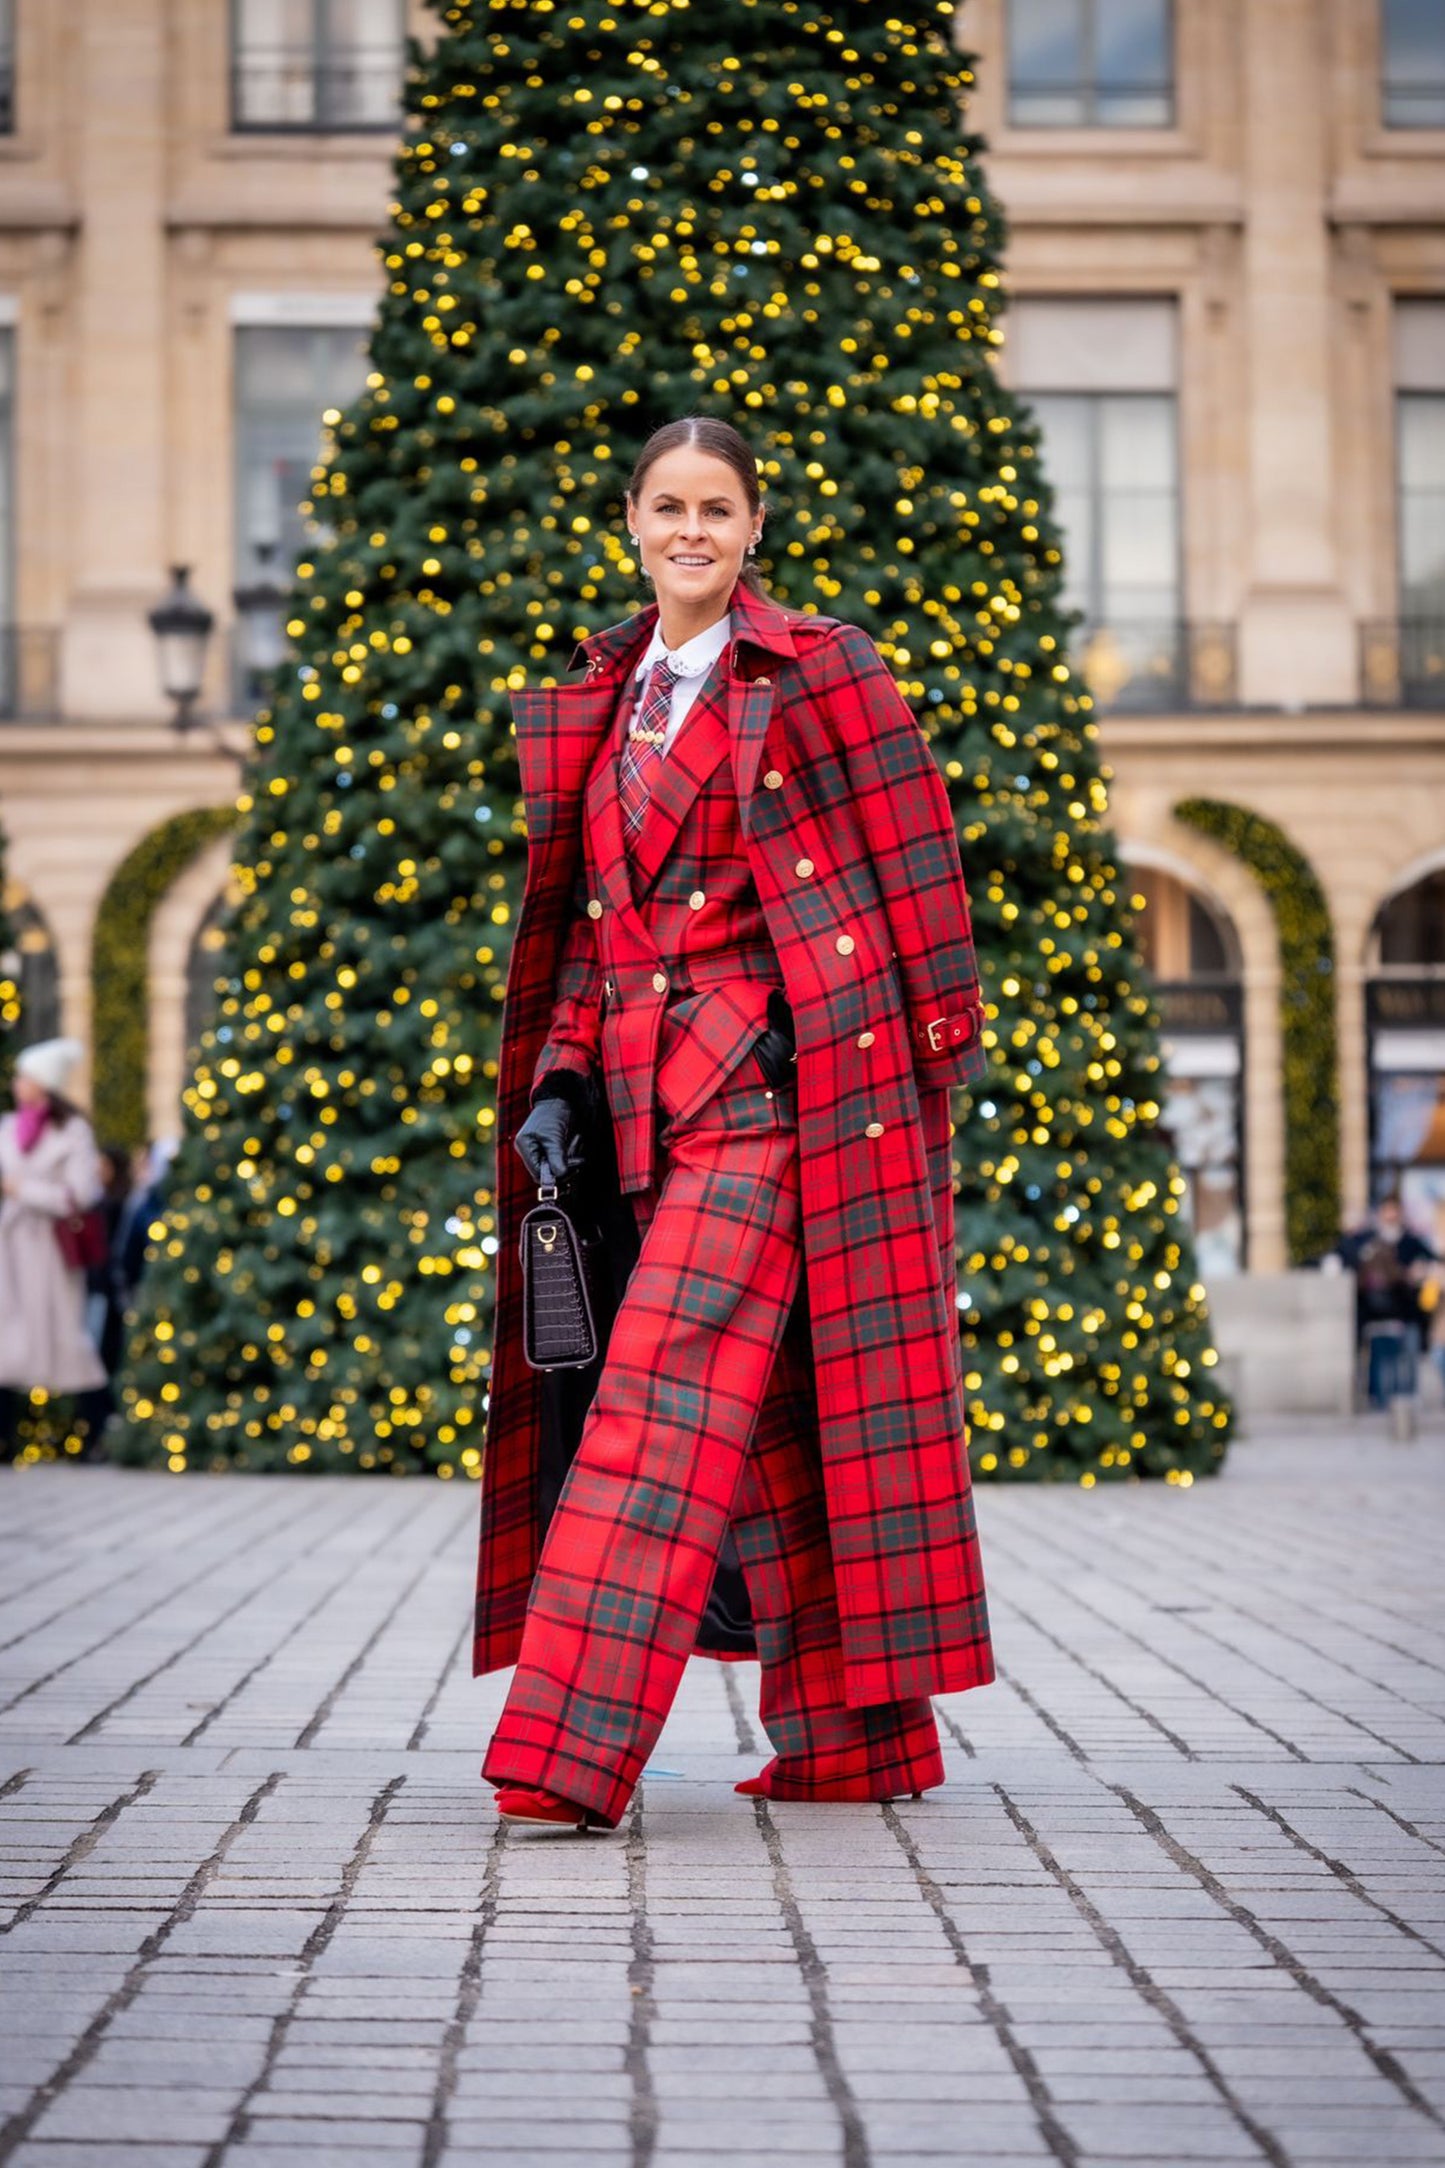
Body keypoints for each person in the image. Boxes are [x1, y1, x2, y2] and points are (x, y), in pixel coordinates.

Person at [473, 415, 996, 1832]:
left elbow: (915, 852)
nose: (690, 531)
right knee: (768, 1416)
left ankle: (564, 1750)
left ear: (753, 525)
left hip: (781, 1093)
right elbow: (591, 927)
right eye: (666, 507)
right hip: (640, 1100)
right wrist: (561, 1079)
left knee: (655, 1397)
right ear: (632, 523)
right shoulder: (607, 687)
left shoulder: (823, 668)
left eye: (716, 508)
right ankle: (857, 1741)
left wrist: (935, 1035)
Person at [0, 1037, 109, 1463]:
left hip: (50, 1252)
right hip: (9, 1249)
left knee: (68, 1343)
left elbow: (80, 1194)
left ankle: (91, 1434)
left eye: (24, 1077)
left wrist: (22, 1190)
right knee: (7, 1342)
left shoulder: (73, 1131)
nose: (16, 1084)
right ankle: (7, 1438)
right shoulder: (7, 1127)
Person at [1338, 1195, 1435, 1409]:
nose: (1391, 1215)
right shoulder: (1368, 1241)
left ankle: (1406, 1405)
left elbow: (1431, 1261)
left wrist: (1422, 1270)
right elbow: (1347, 1259)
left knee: (1408, 1360)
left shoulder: (1411, 1241)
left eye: (1395, 1210)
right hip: (1377, 1312)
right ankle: (1380, 1402)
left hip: (1407, 1310)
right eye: (1387, 1210)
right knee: (1382, 1362)